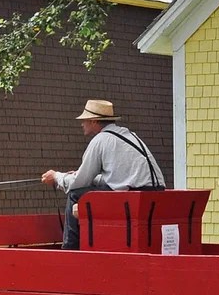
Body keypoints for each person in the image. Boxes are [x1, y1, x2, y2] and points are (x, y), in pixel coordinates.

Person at [41, 98, 166, 249]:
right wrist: (91, 178)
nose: (82, 124)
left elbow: (78, 182)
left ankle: (70, 248)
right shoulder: (130, 135)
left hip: (131, 197)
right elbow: (116, 177)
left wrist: (56, 177)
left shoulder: (100, 140)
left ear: (94, 121)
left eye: (85, 120)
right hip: (154, 194)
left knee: (76, 194)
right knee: (89, 190)